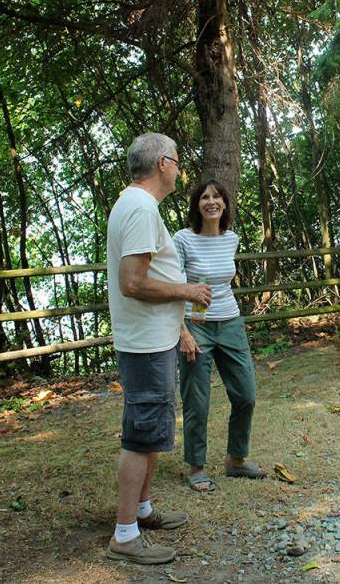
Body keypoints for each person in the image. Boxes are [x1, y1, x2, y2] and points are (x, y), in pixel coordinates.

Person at [105, 133, 212, 564]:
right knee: (140, 433)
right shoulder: (140, 208)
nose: (181, 169)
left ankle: (143, 510)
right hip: (144, 344)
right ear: (164, 163)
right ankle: (125, 535)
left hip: (156, 338)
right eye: (178, 162)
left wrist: (181, 329)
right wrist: (186, 289)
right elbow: (133, 283)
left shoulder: (137, 205)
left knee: (150, 430)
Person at [174, 180, 266, 492]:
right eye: (204, 197)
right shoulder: (183, 239)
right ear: (196, 205)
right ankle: (197, 467)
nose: (211, 202)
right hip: (195, 326)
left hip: (230, 324)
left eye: (217, 197)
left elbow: (224, 282)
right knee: (197, 399)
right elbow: (174, 286)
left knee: (246, 395)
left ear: (225, 204)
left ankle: (236, 461)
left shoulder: (231, 239)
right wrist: (182, 331)